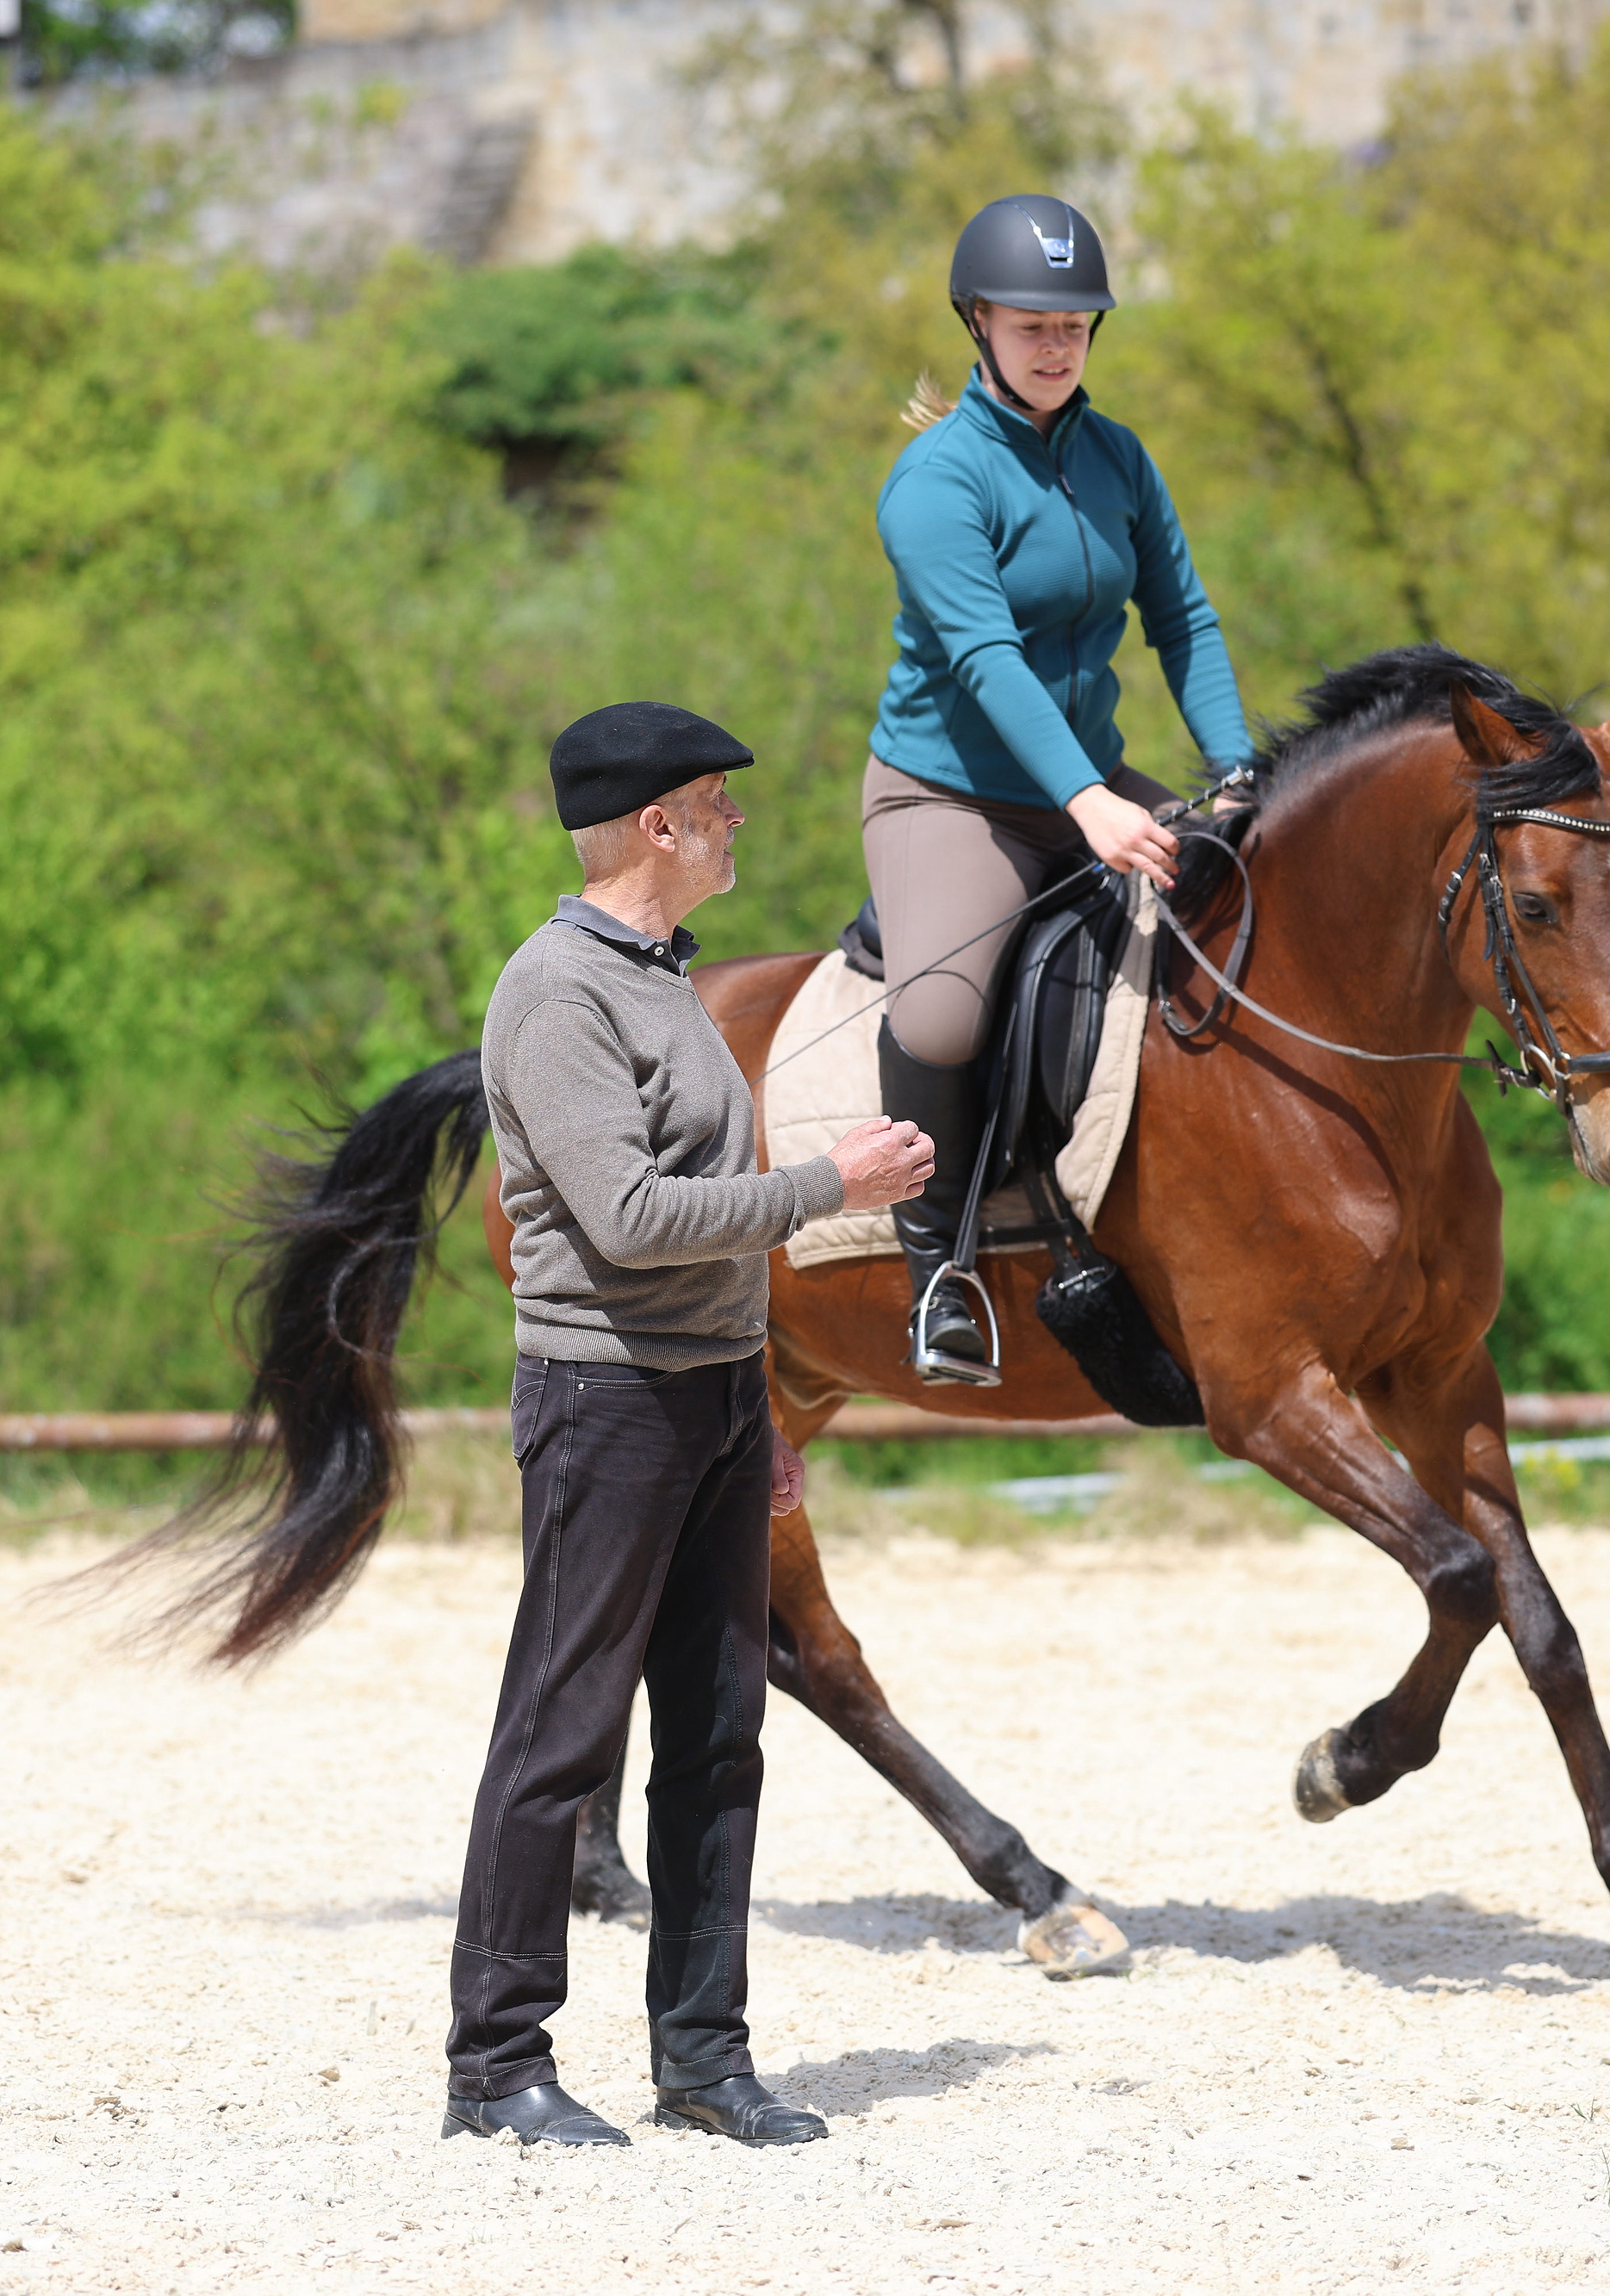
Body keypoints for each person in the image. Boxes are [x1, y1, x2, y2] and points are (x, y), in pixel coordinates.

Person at [446, 700, 937, 2149]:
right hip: (606, 1400)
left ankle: (704, 2059)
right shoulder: (558, 994)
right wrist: (832, 1187)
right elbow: (631, 1216)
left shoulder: (661, 980)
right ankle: (496, 2065)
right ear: (656, 825)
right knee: (562, 1727)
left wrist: (755, 1396)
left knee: (721, 1734)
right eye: (717, 803)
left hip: (713, 1393)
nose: (736, 822)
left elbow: (702, 1222)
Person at [867, 192, 1258, 1385]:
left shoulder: (1118, 458)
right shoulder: (935, 483)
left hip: (1095, 779)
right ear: (978, 323)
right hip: (954, 798)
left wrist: (1236, 768)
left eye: (1074, 326)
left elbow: (1183, 618)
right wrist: (1091, 805)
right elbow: (986, 660)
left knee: (1256, 905)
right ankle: (940, 1272)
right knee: (942, 1019)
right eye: (1032, 324)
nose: (1055, 345)